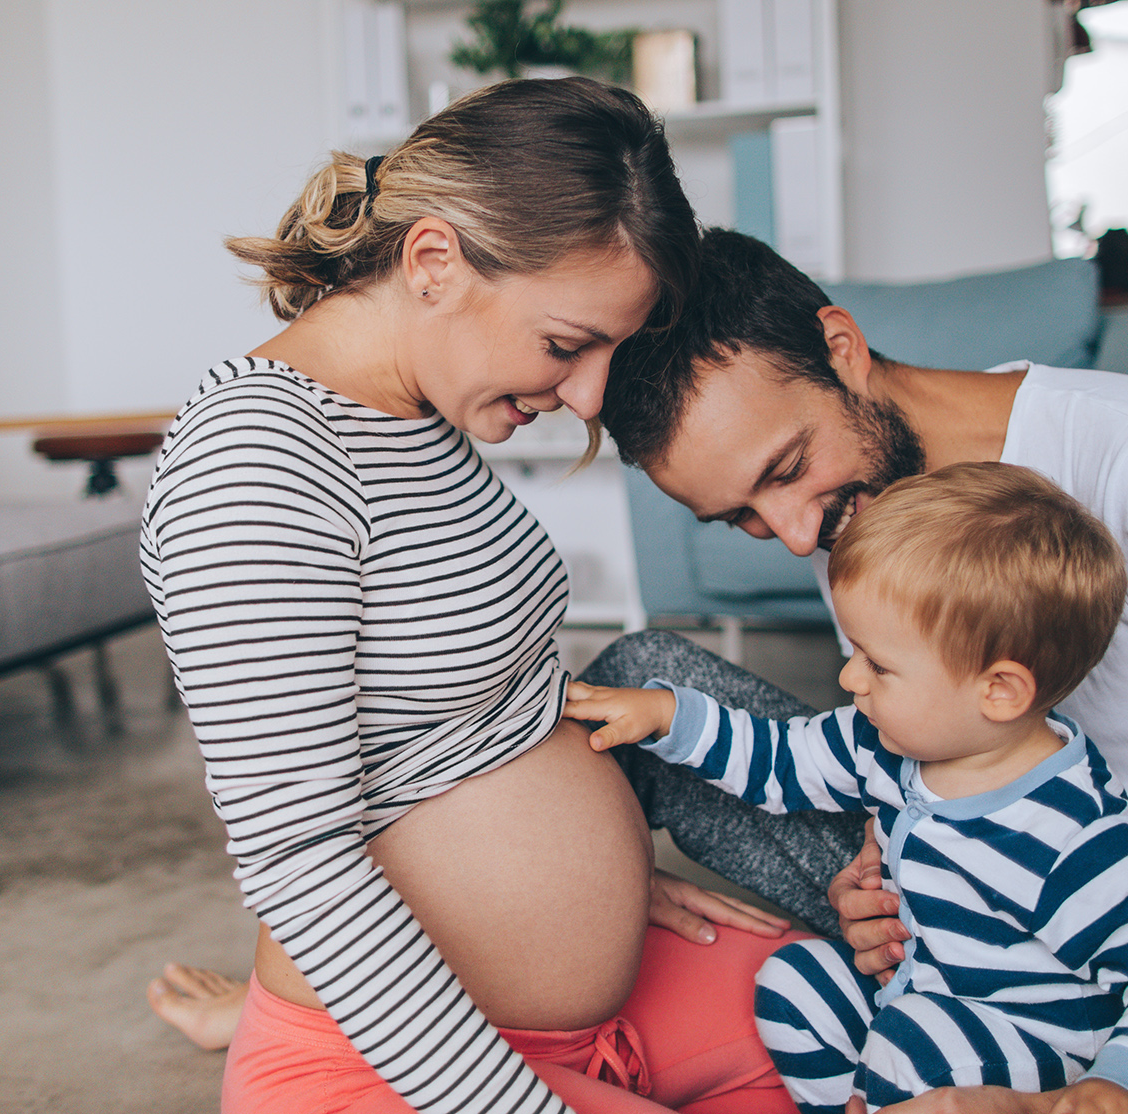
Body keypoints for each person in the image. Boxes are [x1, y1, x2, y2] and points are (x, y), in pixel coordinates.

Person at [585, 229, 1128, 1114]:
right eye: (740, 518)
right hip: (988, 956)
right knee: (640, 678)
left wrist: (1097, 1100)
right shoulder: (858, 517)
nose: (793, 534)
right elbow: (913, 752)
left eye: (786, 470)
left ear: (843, 348)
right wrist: (876, 875)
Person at [142, 78, 809, 1114]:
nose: (588, 396)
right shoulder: (256, 462)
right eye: (565, 345)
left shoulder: (418, 410)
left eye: (609, 352)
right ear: (434, 262)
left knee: (884, 1029)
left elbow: (466, 730)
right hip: (397, 1058)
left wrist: (603, 883)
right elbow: (300, 860)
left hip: (594, 998)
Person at [568, 462, 1128, 1114]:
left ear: (998, 691)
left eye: (878, 665)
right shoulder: (890, 742)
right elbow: (781, 759)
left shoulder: (1073, 837)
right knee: (793, 984)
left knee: (913, 1045)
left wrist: (1125, 1087)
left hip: (1030, 1052)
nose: (850, 680)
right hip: (918, 995)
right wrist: (667, 717)